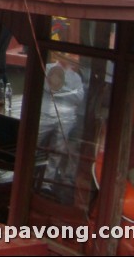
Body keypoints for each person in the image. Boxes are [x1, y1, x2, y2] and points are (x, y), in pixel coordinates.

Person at [37, 57, 85, 190]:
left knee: (57, 150)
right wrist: (67, 92)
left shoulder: (76, 77)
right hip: (44, 115)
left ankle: (47, 181)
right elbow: (47, 87)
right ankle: (27, 175)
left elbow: (79, 97)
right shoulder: (47, 68)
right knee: (34, 145)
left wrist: (59, 92)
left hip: (66, 119)